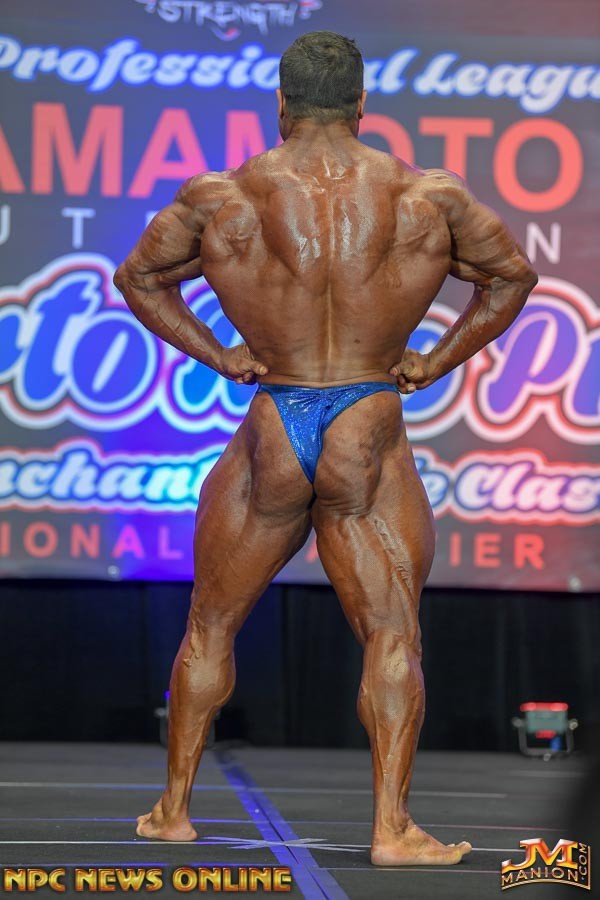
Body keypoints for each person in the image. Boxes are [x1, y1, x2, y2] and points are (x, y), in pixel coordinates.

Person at [113, 30, 537, 866]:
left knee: (210, 624)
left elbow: (139, 278)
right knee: (392, 634)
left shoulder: (224, 195)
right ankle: (391, 830)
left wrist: (221, 355)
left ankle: (172, 812)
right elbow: (512, 277)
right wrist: (434, 360)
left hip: (277, 420)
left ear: (280, 104)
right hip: (366, 422)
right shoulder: (426, 197)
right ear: (361, 104)